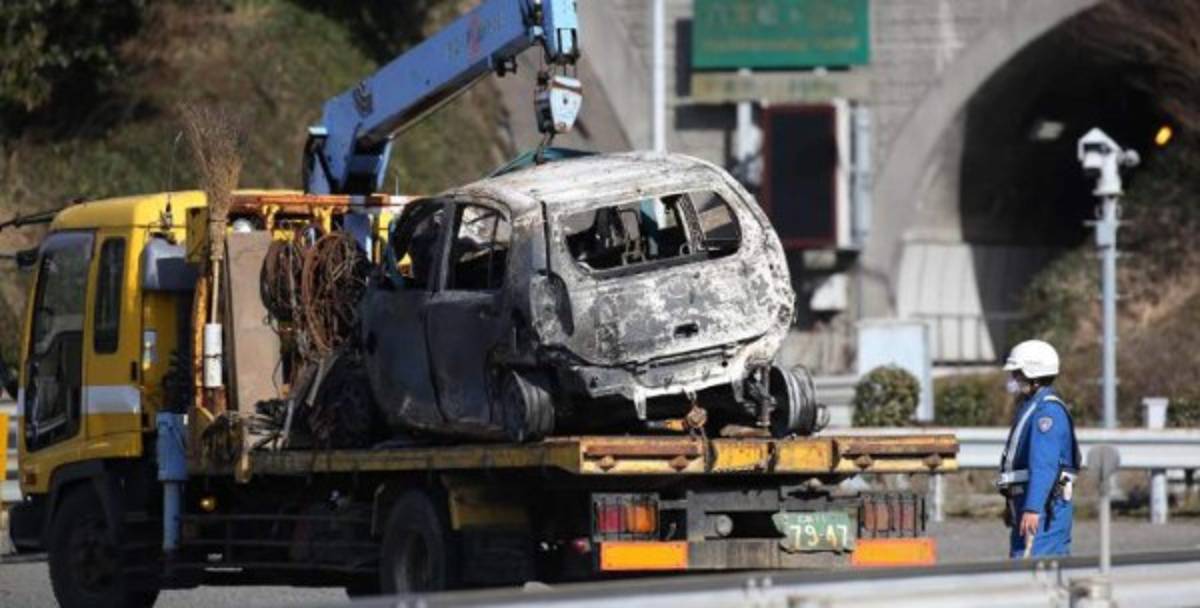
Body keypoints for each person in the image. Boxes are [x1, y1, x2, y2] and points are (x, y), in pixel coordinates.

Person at [997, 339, 1081, 558]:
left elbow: (1043, 464)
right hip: (1031, 501)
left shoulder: (1047, 413)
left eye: (1017, 373)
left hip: (1045, 504)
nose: (1014, 379)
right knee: (1028, 563)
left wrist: (1033, 507)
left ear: (1032, 373)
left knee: (1032, 566)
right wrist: (1013, 504)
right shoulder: (1033, 406)